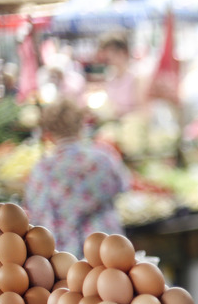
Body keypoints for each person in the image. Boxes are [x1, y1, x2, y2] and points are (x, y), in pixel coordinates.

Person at [24, 98, 130, 258]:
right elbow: (124, 186)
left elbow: (35, 211)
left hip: (64, 252)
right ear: (82, 125)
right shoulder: (103, 158)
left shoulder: (43, 169)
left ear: (49, 133)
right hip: (106, 248)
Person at [98, 33, 142, 118]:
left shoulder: (136, 77)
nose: (107, 55)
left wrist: (120, 111)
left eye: (111, 51)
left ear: (123, 52)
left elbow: (141, 110)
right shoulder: (111, 77)